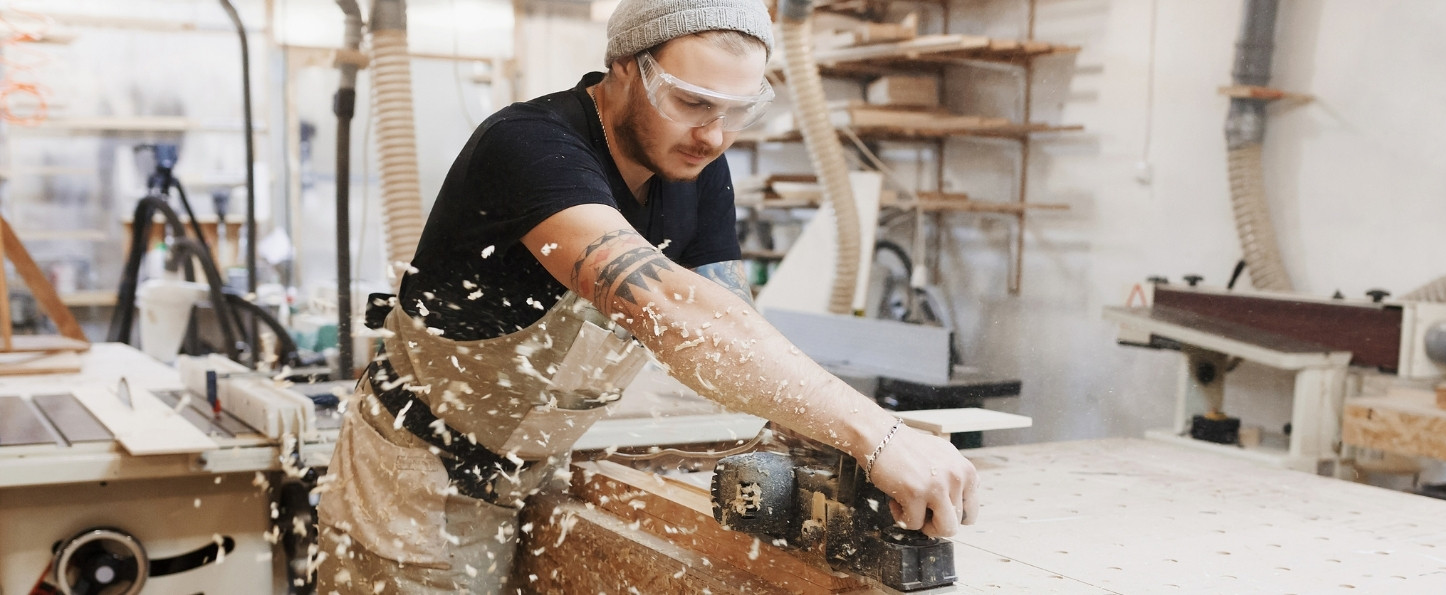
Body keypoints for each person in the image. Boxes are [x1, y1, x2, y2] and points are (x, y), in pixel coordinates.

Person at [315, 0, 979, 591]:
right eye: (691, 102)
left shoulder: (697, 169)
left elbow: (732, 324)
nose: (714, 136)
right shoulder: (529, 148)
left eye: (735, 112)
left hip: (532, 472)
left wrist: (836, 450)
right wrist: (880, 433)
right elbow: (670, 309)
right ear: (623, 68)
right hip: (409, 482)